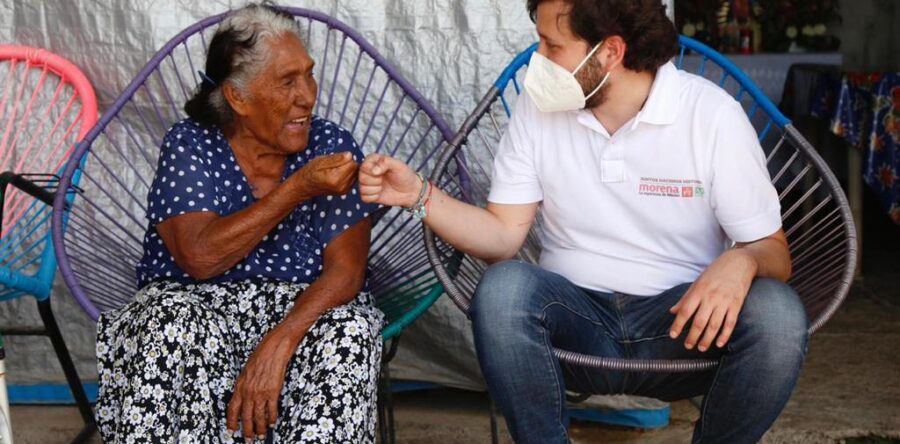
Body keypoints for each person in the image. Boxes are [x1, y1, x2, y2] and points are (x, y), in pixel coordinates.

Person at [358, 0, 808, 443]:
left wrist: (744, 260)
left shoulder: (712, 116)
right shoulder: (539, 112)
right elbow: (501, 236)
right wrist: (418, 196)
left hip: (682, 325)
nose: (538, 60)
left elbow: (775, 253)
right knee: (503, 289)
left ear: (610, 52)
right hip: (575, 321)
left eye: (552, 47)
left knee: (778, 315)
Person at [95, 4, 383, 442]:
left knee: (352, 329)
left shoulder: (330, 145)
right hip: (194, 305)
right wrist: (297, 188)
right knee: (171, 323)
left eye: (308, 74)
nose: (307, 95)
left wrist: (279, 341)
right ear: (238, 97)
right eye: (288, 81)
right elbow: (200, 258)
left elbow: (347, 271)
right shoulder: (191, 144)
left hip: (300, 312)